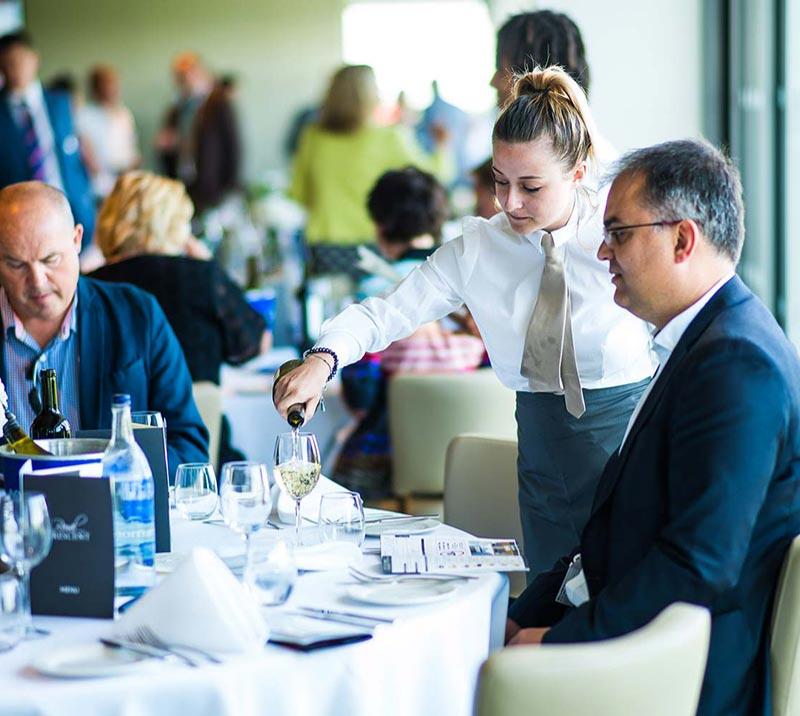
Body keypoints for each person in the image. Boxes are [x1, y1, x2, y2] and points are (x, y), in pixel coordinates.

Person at [274, 67, 654, 578]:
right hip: (542, 453)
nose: (510, 203)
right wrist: (324, 358)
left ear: (579, 173)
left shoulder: (619, 233)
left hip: (629, 445)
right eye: (499, 181)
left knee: (627, 588)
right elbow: (386, 311)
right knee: (550, 594)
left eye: (530, 186)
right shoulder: (480, 248)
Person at [505, 139, 800, 716]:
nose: (602, 251)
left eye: (618, 233)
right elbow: (617, 529)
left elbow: (698, 565)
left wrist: (561, 641)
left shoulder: (737, 363)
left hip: (682, 673)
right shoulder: (701, 340)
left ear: (683, 240)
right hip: (633, 625)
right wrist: (530, 611)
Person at [0, 181, 208, 479]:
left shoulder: (136, 315)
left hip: (115, 502)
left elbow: (188, 446)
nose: (37, 281)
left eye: (50, 259)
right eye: (16, 264)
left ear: (77, 240)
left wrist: (123, 475)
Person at [89, 171, 270, 464]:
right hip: (203, 451)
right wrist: (206, 262)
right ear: (175, 226)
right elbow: (255, 345)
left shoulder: (91, 288)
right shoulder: (201, 277)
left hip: (111, 455)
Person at [334, 168, 484, 498]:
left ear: (381, 227)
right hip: (473, 465)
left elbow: (360, 394)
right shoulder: (474, 288)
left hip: (385, 464)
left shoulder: (374, 293)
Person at [288, 64, 452, 278]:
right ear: (370, 96)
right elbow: (435, 178)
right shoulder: (390, 138)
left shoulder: (312, 138)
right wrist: (441, 147)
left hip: (326, 246)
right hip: (377, 243)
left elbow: (299, 194)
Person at [0, 31, 95, 249]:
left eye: (21, 59)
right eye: (9, 62)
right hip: (21, 217)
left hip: (72, 206)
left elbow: (74, 153)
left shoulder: (60, 103)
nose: (16, 67)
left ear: (34, 59)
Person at [155, 52, 240, 214]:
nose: (184, 80)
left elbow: (233, 146)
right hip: (183, 181)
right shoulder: (176, 110)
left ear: (200, 72)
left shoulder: (218, 103)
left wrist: (231, 186)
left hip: (211, 184)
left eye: (187, 74)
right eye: (179, 76)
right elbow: (167, 146)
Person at [77, 65, 140, 199]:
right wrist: (101, 172)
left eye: (115, 83)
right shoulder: (85, 115)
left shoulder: (124, 113)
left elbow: (132, 147)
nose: (114, 88)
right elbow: (85, 151)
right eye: (108, 83)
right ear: (96, 87)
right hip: (99, 187)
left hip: (126, 183)